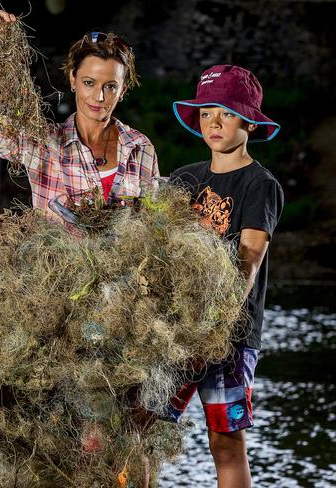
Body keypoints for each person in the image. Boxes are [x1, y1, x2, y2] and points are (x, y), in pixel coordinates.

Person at [167, 65, 284, 487]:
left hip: (229, 338)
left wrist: (213, 330)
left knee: (225, 441)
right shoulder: (183, 179)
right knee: (139, 427)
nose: (214, 123)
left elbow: (249, 258)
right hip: (174, 335)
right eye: (205, 113)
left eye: (226, 113)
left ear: (249, 122)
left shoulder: (260, 184)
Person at [0, 9, 159, 221]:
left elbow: (153, 221)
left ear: (123, 90)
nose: (99, 97)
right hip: (58, 255)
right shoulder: (45, 143)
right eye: (89, 83)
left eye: (110, 87)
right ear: (73, 80)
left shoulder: (139, 147)